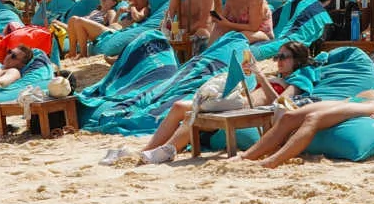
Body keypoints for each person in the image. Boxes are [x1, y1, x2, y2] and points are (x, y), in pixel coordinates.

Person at [239, 51, 374, 168]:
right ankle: (246, 157)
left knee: (314, 119)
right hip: (352, 100)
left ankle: (273, 161)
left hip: (371, 106)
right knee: (289, 116)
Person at [111, 41, 316, 165]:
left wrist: (261, 75)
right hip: (237, 103)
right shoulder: (275, 76)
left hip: (242, 108)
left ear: (297, 60)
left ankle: (165, 150)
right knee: (179, 107)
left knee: (191, 111)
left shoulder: (296, 81)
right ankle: (151, 149)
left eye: (283, 57)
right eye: (277, 56)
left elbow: (281, 103)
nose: (278, 60)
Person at [57, 0, 122, 58]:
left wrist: (117, 14)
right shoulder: (95, 12)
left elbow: (113, 29)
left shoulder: (110, 12)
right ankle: (72, 53)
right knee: (72, 19)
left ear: (114, 2)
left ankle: (83, 54)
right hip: (82, 31)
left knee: (77, 20)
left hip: (96, 35)